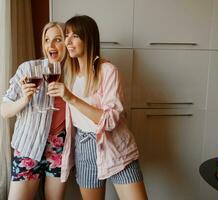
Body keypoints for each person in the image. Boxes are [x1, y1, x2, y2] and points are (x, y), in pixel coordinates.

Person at [47, 15, 148, 200]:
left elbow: (110, 121)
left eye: (75, 36)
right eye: (66, 35)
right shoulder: (67, 73)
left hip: (115, 144)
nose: (68, 41)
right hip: (84, 146)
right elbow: (48, 54)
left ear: (89, 38)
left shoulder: (107, 71)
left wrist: (70, 97)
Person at [1, 22, 67, 200]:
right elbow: (4, 110)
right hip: (28, 144)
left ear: (67, 43)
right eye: (47, 40)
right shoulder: (29, 69)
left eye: (57, 40)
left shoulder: (75, 74)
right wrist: (24, 99)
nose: (51, 46)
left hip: (59, 145)